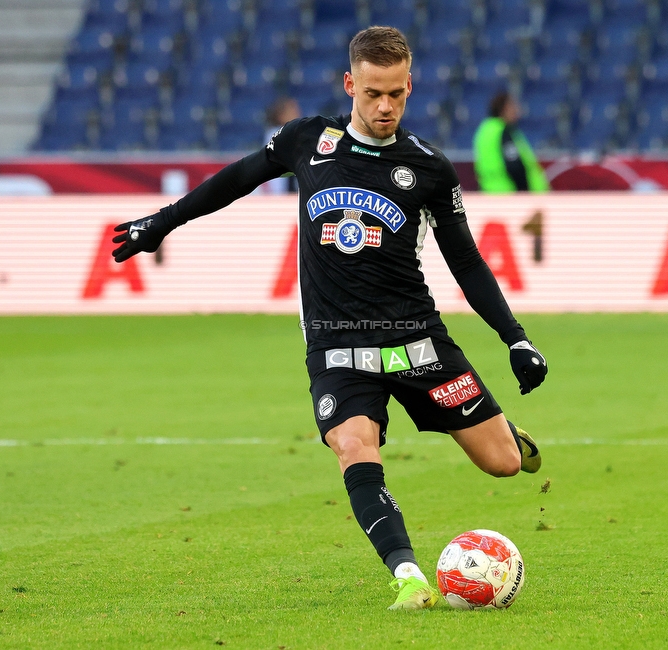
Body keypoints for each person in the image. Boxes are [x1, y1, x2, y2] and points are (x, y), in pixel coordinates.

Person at [111, 26, 548, 611]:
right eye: (372, 93)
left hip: (417, 341)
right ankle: (408, 576)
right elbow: (236, 180)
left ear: (409, 86)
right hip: (336, 346)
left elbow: (465, 261)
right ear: (350, 84)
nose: (385, 105)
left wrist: (515, 339)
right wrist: (160, 222)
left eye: (396, 93)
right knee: (353, 446)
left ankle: (509, 436)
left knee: (503, 463)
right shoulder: (307, 141)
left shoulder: (428, 169)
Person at [473, 91, 550, 193]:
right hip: (508, 193)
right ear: (504, 109)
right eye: (513, 106)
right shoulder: (502, 131)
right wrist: (524, 190)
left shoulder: (484, 130)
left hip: (489, 191)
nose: (517, 110)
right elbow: (513, 164)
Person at [261, 97, 301, 194]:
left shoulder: (295, 132)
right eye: (292, 110)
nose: (297, 114)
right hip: (279, 189)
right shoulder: (274, 134)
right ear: (281, 115)